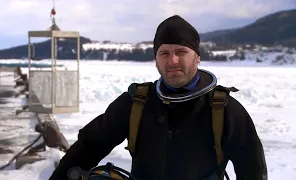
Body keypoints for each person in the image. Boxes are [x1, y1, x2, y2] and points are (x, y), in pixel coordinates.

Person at [49, 15, 267, 180]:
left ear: (197, 58)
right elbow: (89, 146)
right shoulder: (137, 103)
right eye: (164, 53)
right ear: (156, 60)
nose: (172, 60)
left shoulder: (224, 109)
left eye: (181, 52)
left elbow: (253, 170)